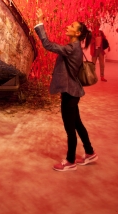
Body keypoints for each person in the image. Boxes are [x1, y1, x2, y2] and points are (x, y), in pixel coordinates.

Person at [34, 9, 97, 171]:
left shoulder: (71, 48)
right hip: (73, 92)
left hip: (70, 94)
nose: (68, 26)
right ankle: (90, 152)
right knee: (77, 124)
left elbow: (47, 44)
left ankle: (70, 161)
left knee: (70, 129)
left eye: (72, 26)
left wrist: (40, 23)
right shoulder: (75, 47)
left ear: (77, 33)